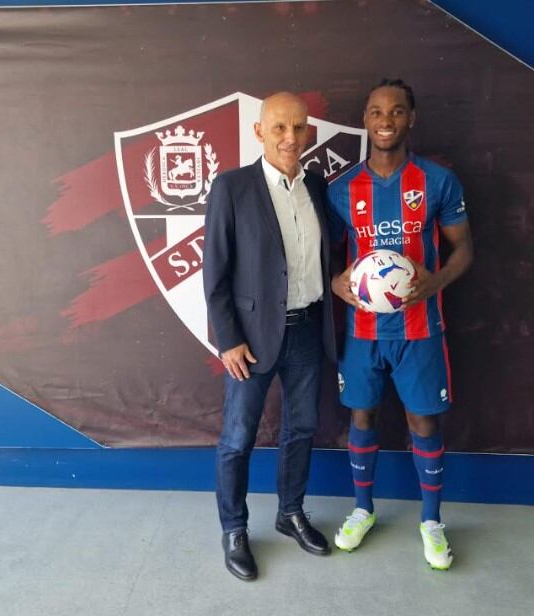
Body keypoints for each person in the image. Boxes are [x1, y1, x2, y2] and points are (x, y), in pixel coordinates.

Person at [326, 79, 473, 570]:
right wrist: (335, 283)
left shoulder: (437, 181)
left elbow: (464, 250)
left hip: (420, 330)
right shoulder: (341, 190)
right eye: (375, 112)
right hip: (362, 333)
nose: (385, 120)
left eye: (395, 111)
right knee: (361, 417)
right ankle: (362, 510)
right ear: (365, 121)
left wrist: (436, 283)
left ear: (411, 118)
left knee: (422, 421)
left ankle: (431, 521)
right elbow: (323, 258)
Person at [203, 92, 337, 581]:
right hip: (252, 340)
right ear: (259, 132)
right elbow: (214, 275)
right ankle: (235, 529)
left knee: (301, 430)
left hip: (308, 331)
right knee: (237, 439)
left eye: (298, 128)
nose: (289, 137)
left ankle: (290, 513)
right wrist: (228, 340)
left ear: (309, 133)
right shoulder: (232, 187)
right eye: (278, 127)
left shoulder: (319, 187)